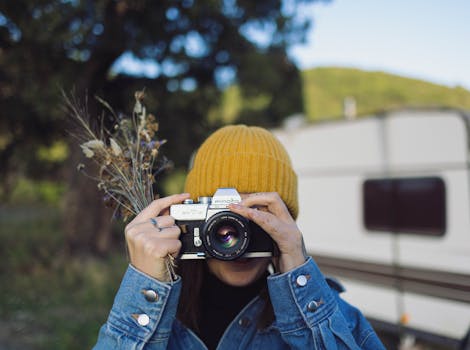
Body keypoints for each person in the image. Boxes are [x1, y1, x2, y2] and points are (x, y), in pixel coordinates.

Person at [94, 125, 385, 349]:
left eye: (256, 215)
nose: (235, 237)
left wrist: (299, 270)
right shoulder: (157, 312)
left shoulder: (327, 314)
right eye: (222, 219)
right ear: (193, 219)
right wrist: (145, 289)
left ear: (284, 225)